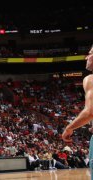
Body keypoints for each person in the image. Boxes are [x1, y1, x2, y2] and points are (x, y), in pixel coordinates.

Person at [62, 46, 93, 177]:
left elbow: (90, 112)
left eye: (91, 53)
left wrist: (69, 128)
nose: (87, 57)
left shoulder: (90, 79)